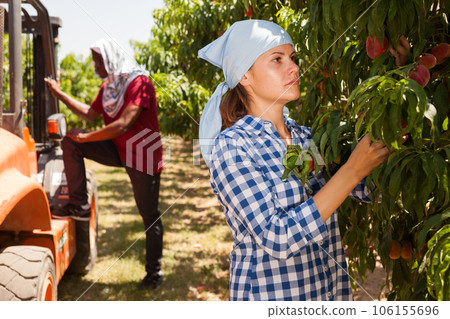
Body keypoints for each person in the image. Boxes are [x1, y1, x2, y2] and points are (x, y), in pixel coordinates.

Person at [198, 20, 390, 301]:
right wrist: (351, 170)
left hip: (328, 293)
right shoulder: (232, 147)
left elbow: (370, 189)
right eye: (277, 59)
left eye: (293, 58)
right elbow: (277, 236)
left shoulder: (307, 138)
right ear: (245, 77)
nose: (295, 67)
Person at [44, 38, 164, 290]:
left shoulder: (139, 83)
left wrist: (88, 136)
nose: (94, 65)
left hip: (142, 155)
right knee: (71, 142)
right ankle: (79, 206)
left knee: (149, 216)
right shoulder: (110, 87)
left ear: (111, 59)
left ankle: (154, 273)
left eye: (98, 60)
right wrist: (59, 93)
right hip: (119, 148)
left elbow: (124, 123)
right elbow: (90, 113)